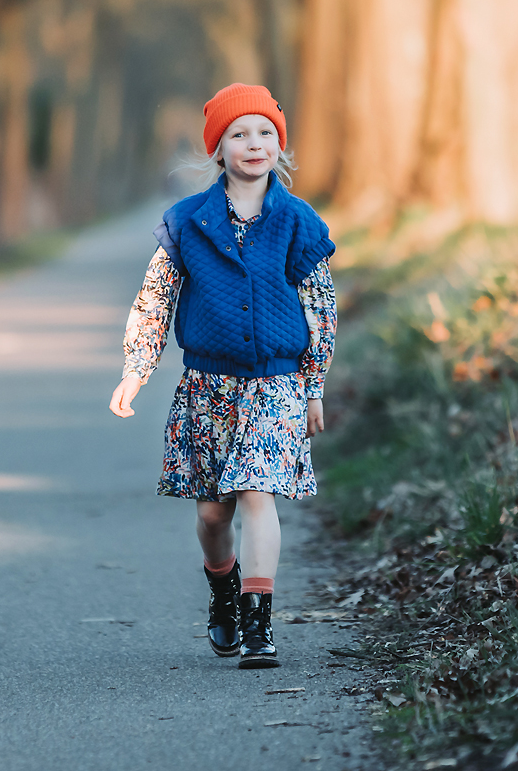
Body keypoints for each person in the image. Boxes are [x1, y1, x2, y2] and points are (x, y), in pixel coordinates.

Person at [109, 83, 336, 670]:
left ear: (278, 145)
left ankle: (259, 621)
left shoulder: (297, 221)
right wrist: (136, 368)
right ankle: (223, 590)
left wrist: (313, 386)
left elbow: (320, 307)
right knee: (214, 514)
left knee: (259, 494)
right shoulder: (188, 221)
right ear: (218, 148)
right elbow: (156, 298)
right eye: (239, 134)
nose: (253, 144)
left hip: (276, 385)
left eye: (265, 133)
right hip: (208, 388)